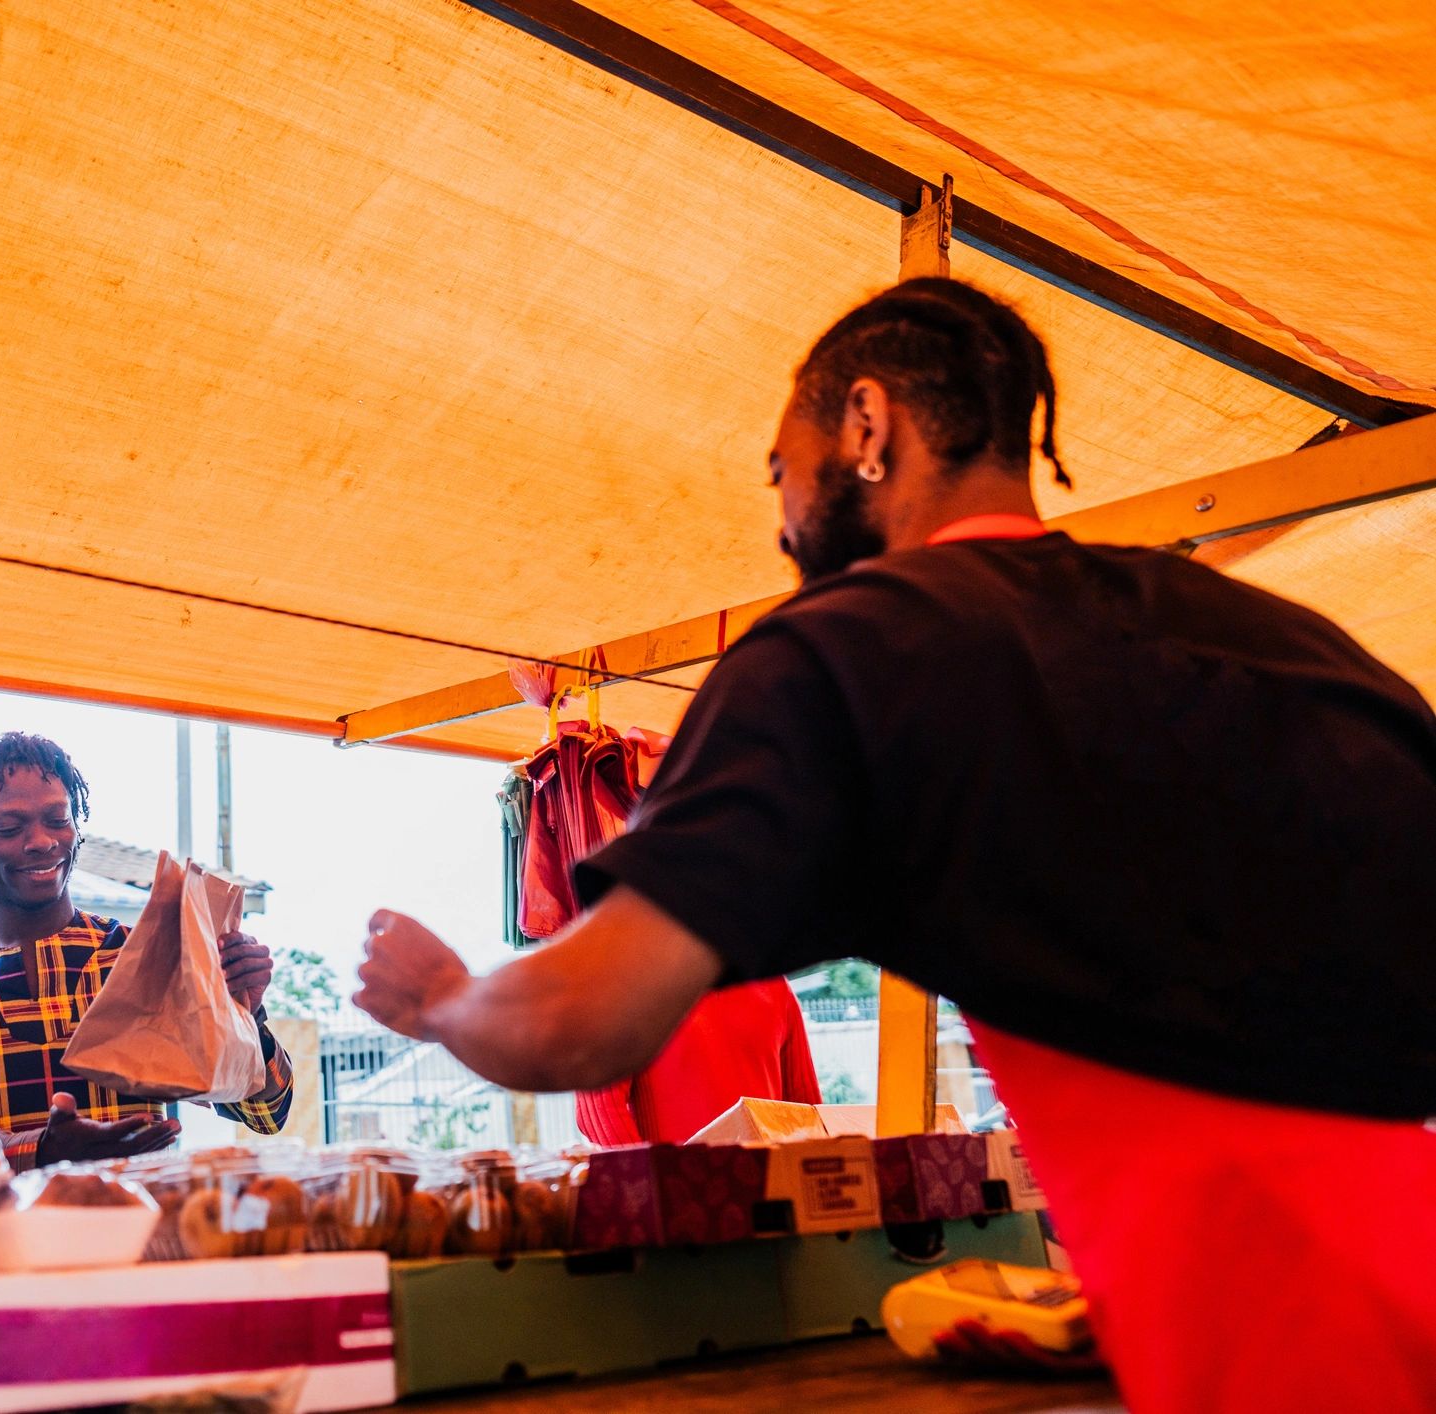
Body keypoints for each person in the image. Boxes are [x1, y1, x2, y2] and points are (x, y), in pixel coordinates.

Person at [355, 278, 1436, 1412]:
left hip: (1281, 1351)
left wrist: (440, 996)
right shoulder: (1291, 644)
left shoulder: (848, 653)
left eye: (784, 469)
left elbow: (577, 1020)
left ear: (868, 427)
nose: (782, 520)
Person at [0, 732, 292, 1167]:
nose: (42, 841)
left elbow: (266, 1114)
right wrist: (39, 1152)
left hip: (143, 1230)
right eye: (9, 827)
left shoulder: (141, 954)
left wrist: (248, 1013)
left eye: (57, 819)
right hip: (5, 1235)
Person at [577, 979, 820, 1145]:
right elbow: (599, 1110)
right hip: (676, 1197)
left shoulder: (775, 987)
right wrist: (649, 1184)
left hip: (767, 1193)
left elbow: (807, 1112)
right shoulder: (629, 985)